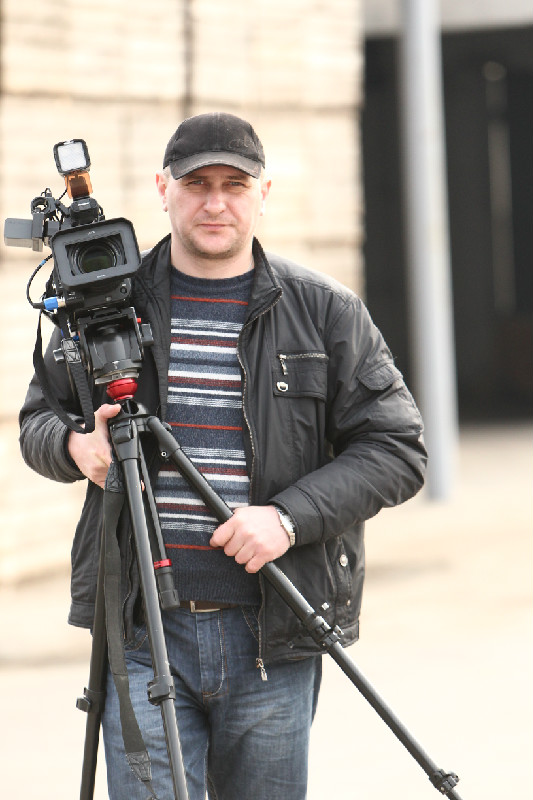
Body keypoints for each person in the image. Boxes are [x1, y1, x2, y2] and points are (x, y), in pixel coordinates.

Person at [19, 111, 427, 800]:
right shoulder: (102, 304)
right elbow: (38, 419)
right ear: (163, 190)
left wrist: (288, 519)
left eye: (234, 185)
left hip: (272, 630)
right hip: (141, 631)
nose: (215, 203)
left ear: (263, 193)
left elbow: (396, 449)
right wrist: (74, 446)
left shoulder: (324, 311)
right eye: (196, 184)